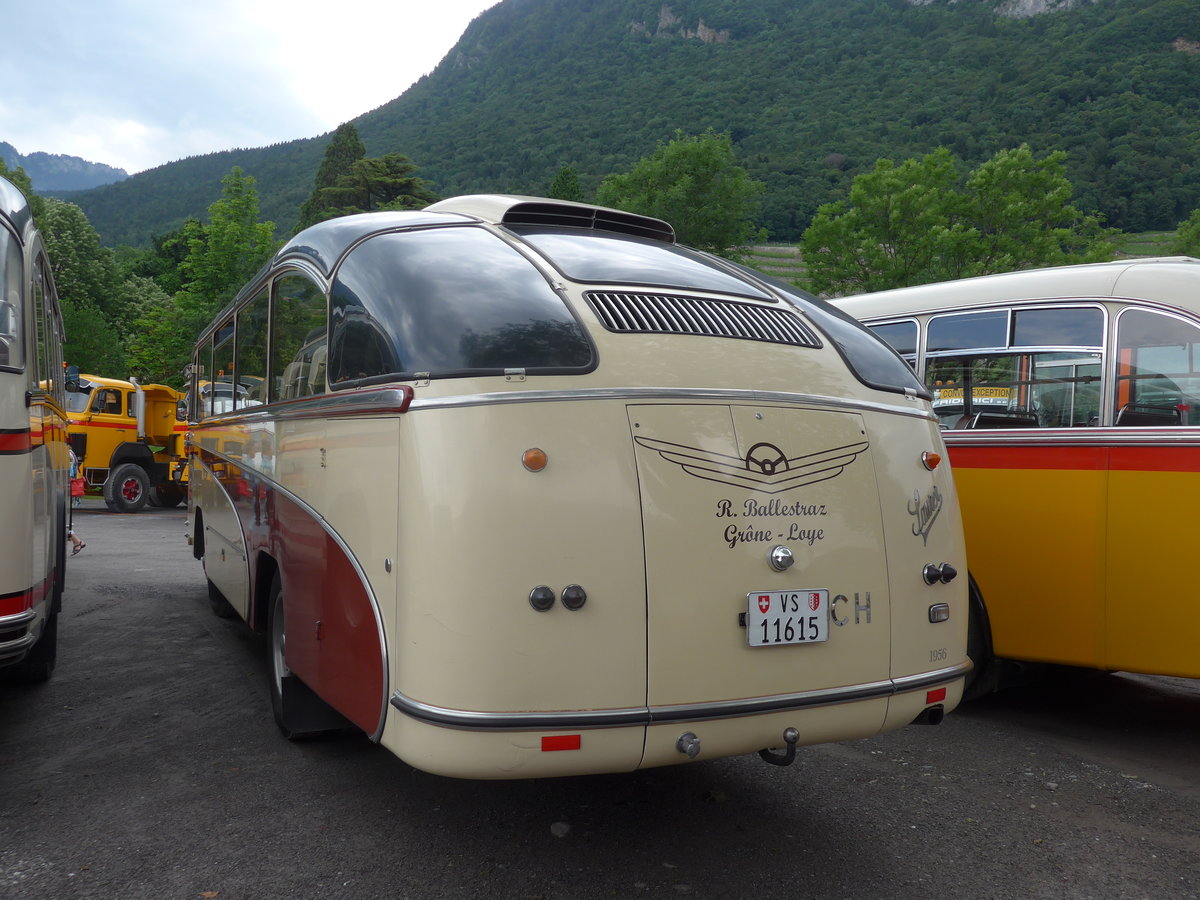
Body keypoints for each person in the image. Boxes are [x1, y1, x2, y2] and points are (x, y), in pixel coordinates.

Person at [68, 448, 85, 555]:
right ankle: (77, 541)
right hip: (70, 492)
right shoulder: (71, 453)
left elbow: (69, 476)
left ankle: (77, 541)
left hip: (67, 491)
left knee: (62, 522)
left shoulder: (67, 456)